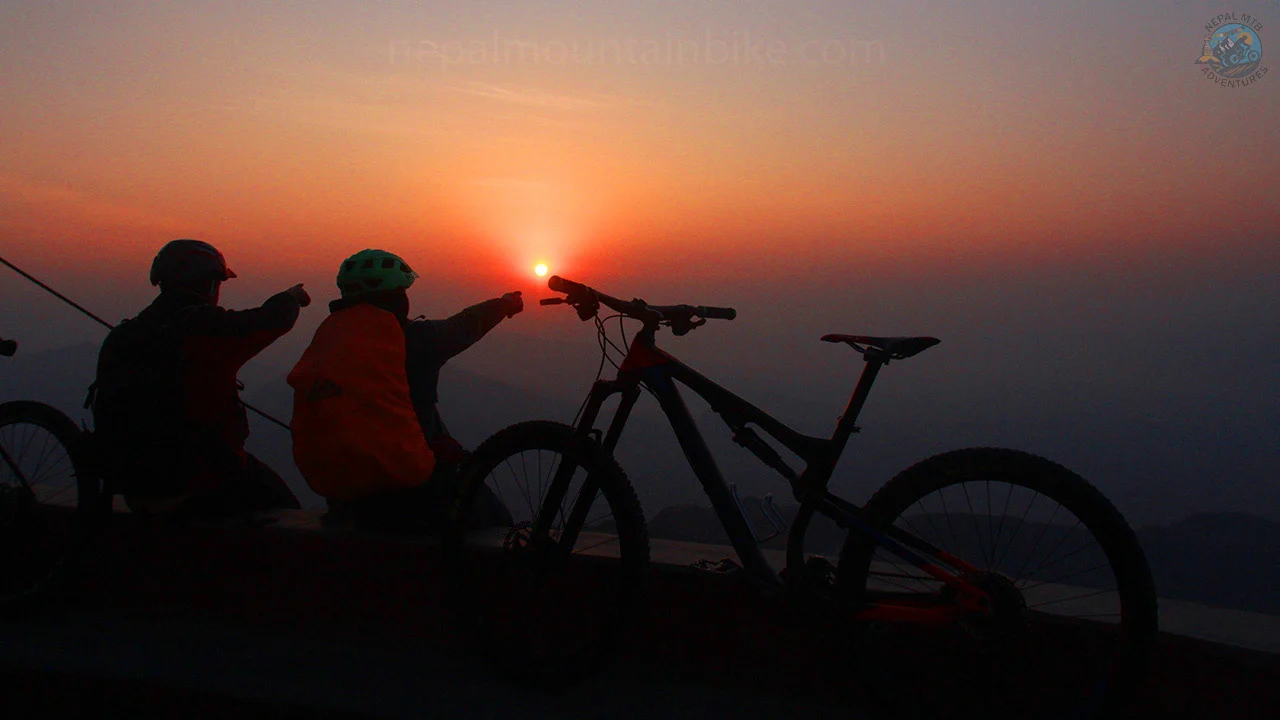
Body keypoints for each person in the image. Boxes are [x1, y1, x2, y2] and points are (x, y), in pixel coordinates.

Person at [287, 248, 520, 532]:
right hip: (410, 486)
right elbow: (462, 327)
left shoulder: (328, 340)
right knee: (496, 522)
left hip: (343, 491)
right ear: (396, 297)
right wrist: (504, 304)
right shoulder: (414, 339)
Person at [92, 239, 309, 519]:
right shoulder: (206, 329)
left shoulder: (123, 335)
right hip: (198, 475)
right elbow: (268, 321)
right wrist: (290, 297)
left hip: (129, 479)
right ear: (208, 284)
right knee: (284, 508)